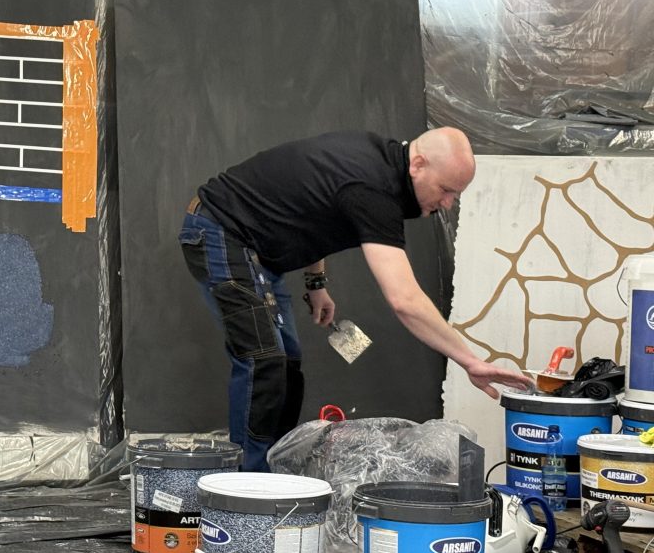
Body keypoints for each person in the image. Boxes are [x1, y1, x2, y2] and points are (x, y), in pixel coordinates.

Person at [178, 127, 534, 472]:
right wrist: (469, 361)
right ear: (418, 164)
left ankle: (275, 465)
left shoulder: (378, 161)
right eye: (445, 190)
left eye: (455, 195)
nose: (447, 204)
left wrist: (316, 281)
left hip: (259, 253)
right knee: (264, 361)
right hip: (221, 229)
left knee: (287, 365)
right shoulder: (372, 188)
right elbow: (405, 299)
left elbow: (312, 211)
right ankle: (247, 482)